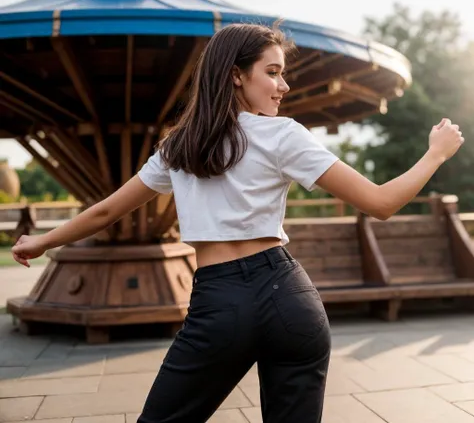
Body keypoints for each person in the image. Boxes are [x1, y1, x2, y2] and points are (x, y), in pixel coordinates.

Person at [11, 21, 464, 423]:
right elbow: (381, 202)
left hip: (220, 302)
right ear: (235, 75)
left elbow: (107, 210)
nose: (283, 85)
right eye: (272, 71)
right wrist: (435, 154)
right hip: (287, 296)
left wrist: (42, 241)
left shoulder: (179, 146)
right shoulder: (281, 136)